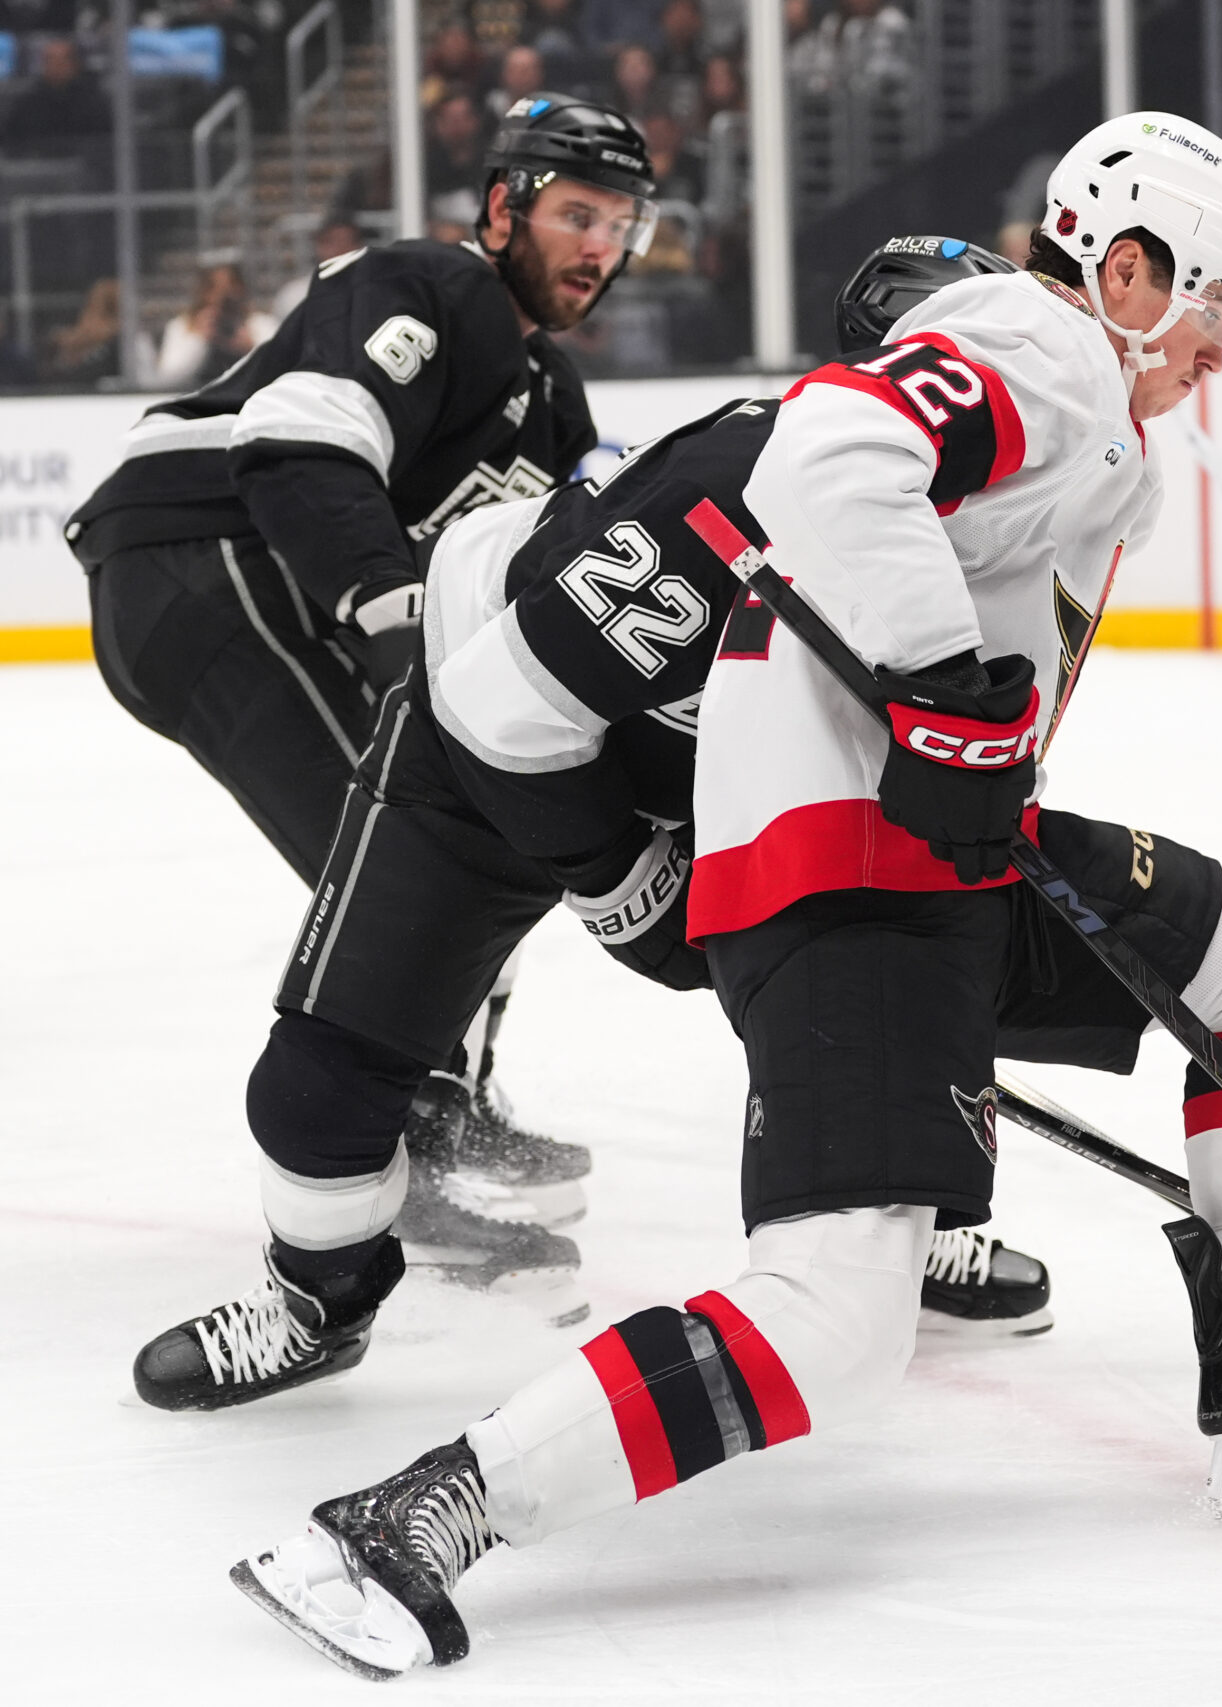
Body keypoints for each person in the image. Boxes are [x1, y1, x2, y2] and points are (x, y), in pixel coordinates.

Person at [231, 114, 1222, 1680]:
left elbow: (933, 610)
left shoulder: (1089, 416)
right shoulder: (1046, 347)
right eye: (1219, 306)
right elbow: (837, 449)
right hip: (844, 866)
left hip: (928, 856)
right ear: (1126, 269)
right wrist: (948, 701)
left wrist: (964, 734)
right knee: (837, 1319)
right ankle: (410, 1522)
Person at [128, 232, 1062, 1417]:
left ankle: (903, 1225)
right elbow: (516, 722)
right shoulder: (740, 486)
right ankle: (317, 1297)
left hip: (667, 769)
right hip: (472, 739)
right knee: (319, 1089)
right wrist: (621, 881)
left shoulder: (1013, 543)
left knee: (878, 977)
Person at [63, 96, 653, 1280]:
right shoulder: (433, 286)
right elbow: (301, 439)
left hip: (254, 589)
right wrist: (384, 609)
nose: (599, 245)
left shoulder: (558, 402)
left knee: (488, 833)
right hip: (198, 561)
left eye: (620, 223)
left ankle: (436, 1110)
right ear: (503, 209)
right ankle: (397, 1176)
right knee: (417, 856)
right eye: (576, 213)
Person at [148, 260, 276, 390]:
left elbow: (280, 371)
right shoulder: (182, 327)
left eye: (231, 287)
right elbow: (167, 379)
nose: (223, 297)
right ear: (202, 292)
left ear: (242, 289)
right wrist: (199, 340)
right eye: (214, 288)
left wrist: (251, 349)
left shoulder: (261, 325)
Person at [1, 37, 113, 157]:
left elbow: (104, 142)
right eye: (50, 60)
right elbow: (12, 142)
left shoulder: (95, 105)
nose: (57, 66)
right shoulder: (26, 105)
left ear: (75, 64)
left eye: (63, 60)